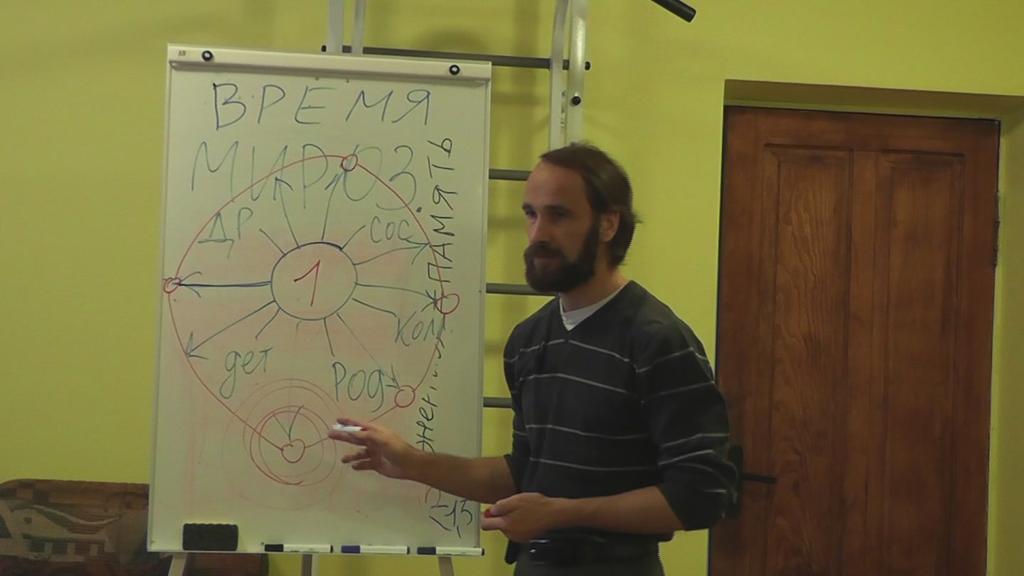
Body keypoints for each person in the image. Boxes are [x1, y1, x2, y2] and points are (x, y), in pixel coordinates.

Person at [329, 143, 736, 575]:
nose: (539, 233)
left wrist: (560, 514)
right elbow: (526, 470)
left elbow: (703, 494)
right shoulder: (529, 340)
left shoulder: (657, 340)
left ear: (608, 224)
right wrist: (413, 462)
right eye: (531, 214)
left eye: (559, 215)